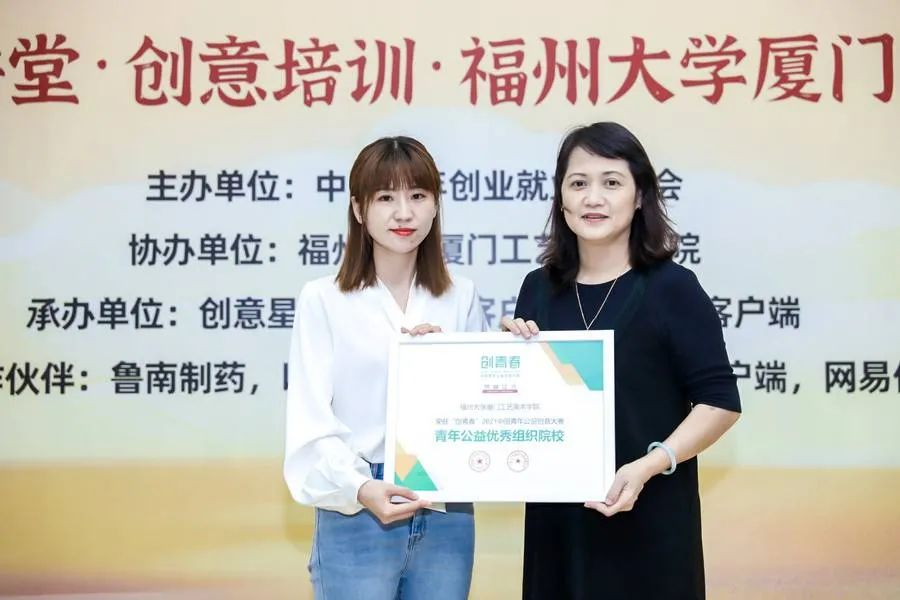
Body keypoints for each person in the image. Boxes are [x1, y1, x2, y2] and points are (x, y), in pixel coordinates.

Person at [501, 122, 741, 600]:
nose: (593, 198)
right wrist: (505, 363)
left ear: (639, 196)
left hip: (649, 519)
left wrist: (649, 465)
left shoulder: (673, 288)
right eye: (578, 183)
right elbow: (526, 408)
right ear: (561, 199)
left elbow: (719, 402)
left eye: (611, 182)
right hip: (558, 528)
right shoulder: (537, 288)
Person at [284, 136, 486, 599]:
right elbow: (311, 421)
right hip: (357, 506)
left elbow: (478, 410)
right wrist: (360, 487)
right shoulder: (323, 299)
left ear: (435, 206)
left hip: (446, 507)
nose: (404, 213)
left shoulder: (461, 296)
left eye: (417, 195)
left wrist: (457, 365)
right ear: (359, 209)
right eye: (385, 198)